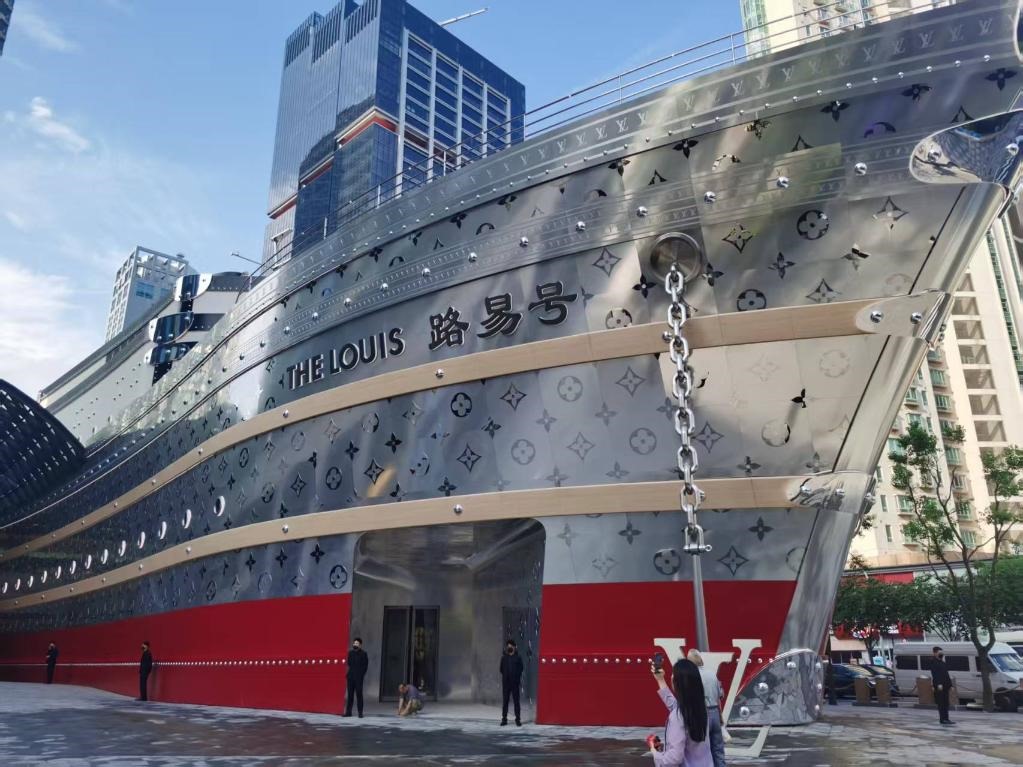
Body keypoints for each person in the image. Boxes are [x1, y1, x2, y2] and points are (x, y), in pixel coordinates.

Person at [647, 658, 713, 766]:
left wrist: (655, 753)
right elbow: (675, 706)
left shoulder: (677, 716)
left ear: (678, 683)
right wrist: (660, 679)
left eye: (673, 675)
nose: (671, 677)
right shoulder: (701, 709)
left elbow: (674, 758)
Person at [687, 650, 726, 767]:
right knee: (718, 749)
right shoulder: (712, 674)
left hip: (701, 715)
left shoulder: (691, 676)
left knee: (702, 750)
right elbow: (721, 695)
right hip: (715, 713)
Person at [500, 639, 524, 726]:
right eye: (508, 646)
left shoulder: (518, 657)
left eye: (511, 646)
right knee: (505, 701)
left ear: (514, 647)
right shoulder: (504, 658)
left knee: (516, 701)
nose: (509, 648)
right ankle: (504, 719)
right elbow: (501, 669)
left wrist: (516, 677)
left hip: (515, 683)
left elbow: (521, 669)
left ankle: (518, 719)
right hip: (506, 683)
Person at [344, 637, 368, 718]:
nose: (355, 644)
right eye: (354, 643)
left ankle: (360, 712)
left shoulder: (364, 654)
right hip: (350, 677)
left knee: (359, 694)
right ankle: (348, 712)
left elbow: (365, 666)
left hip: (358, 678)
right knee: (350, 695)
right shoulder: (350, 653)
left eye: (357, 643)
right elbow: (349, 663)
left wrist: (361, 675)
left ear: (360, 645)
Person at [930, 646, 954, 725]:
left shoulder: (942, 663)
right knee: (941, 703)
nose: (941, 654)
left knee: (946, 703)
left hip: (945, 685)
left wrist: (950, 685)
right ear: (934, 653)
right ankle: (942, 719)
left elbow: (946, 675)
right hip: (939, 686)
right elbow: (935, 675)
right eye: (939, 652)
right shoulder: (933, 662)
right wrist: (938, 684)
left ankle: (946, 718)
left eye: (941, 652)